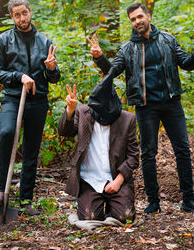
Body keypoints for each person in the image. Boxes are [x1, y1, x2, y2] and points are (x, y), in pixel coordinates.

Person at [87, 3, 194, 213]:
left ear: (149, 16)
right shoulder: (127, 49)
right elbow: (112, 72)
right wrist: (99, 57)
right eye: (133, 20)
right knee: (148, 153)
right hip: (146, 107)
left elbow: (186, 63)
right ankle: (153, 202)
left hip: (171, 102)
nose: (137, 22)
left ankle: (189, 199)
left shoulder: (168, 40)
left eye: (139, 17)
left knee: (182, 150)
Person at [0, 0, 60, 215]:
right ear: (12, 17)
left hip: (37, 102)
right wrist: (19, 76)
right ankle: (1, 191)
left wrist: (51, 69)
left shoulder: (45, 41)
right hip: (12, 98)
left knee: (31, 150)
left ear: (30, 12)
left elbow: (54, 79)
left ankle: (26, 200)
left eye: (24, 13)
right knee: (7, 133)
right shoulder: (3, 41)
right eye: (17, 15)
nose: (21, 18)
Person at [58, 70, 139, 223]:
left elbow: (133, 156)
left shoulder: (127, 119)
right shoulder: (84, 113)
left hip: (115, 178)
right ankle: (93, 203)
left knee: (125, 216)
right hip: (89, 179)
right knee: (90, 217)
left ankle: (113, 205)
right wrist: (70, 110)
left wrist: (118, 181)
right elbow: (64, 131)